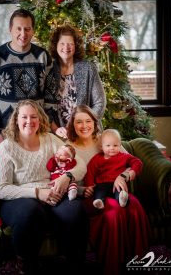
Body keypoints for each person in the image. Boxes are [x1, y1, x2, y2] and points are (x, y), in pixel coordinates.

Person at [0, 99, 89, 275]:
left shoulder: (50, 140)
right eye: (24, 117)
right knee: (30, 212)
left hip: (54, 193)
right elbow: (2, 188)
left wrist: (67, 177)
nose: (29, 121)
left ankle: (73, 261)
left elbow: (80, 164)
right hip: (19, 198)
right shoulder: (6, 148)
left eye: (33, 117)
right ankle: (26, 263)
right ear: (16, 120)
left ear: (40, 119)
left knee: (75, 210)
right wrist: (37, 193)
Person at [66, 105, 151, 275]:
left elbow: (128, 161)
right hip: (90, 196)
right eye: (79, 122)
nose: (84, 126)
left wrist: (124, 176)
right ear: (72, 125)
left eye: (88, 121)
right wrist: (83, 189)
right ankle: (112, 264)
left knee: (134, 206)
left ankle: (137, 258)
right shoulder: (68, 147)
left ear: (94, 122)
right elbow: (62, 176)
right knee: (114, 213)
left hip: (114, 189)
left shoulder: (105, 139)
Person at [0, 8, 55, 148]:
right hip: (5, 133)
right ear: (10, 29)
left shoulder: (43, 56)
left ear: (33, 30)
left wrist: (49, 127)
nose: (23, 34)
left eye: (27, 29)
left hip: (38, 133)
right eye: (18, 28)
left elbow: (51, 97)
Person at [47, 24, 106, 139]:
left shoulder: (88, 68)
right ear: (56, 45)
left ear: (76, 46)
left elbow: (100, 103)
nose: (66, 47)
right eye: (62, 43)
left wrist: (84, 125)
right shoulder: (48, 69)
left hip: (87, 133)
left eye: (70, 44)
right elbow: (45, 106)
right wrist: (55, 128)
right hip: (59, 134)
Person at [84, 128, 143, 209]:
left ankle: (122, 200)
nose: (112, 148)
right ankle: (99, 201)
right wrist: (89, 185)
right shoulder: (97, 159)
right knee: (99, 192)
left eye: (115, 145)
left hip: (117, 183)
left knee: (120, 191)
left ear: (119, 145)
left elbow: (137, 162)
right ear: (102, 146)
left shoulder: (124, 157)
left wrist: (133, 170)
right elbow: (90, 172)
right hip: (102, 184)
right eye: (108, 145)